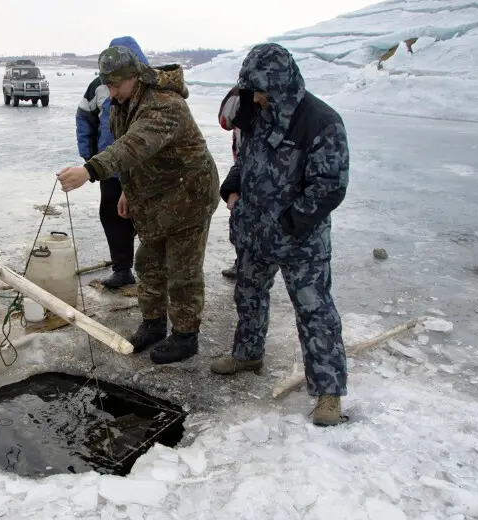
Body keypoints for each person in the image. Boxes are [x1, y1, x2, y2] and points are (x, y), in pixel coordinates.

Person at [210, 43, 350, 426]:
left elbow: (330, 186)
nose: (256, 97)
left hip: (300, 241)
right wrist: (233, 190)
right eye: (252, 89)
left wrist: (287, 224)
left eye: (263, 89)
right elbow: (245, 161)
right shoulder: (258, 114)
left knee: (315, 312)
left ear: (283, 84)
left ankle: (328, 392)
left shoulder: (321, 121)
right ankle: (247, 354)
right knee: (249, 295)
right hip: (254, 234)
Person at [57, 46, 219, 364]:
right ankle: (154, 325)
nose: (112, 92)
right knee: (148, 263)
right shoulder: (123, 101)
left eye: (116, 85)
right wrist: (127, 191)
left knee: (182, 271)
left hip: (190, 196)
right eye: (109, 86)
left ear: (134, 77)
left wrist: (89, 170)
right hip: (158, 198)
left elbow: (134, 145)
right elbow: (130, 154)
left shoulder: (164, 102)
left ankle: (186, 337)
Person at [75, 36, 149, 289]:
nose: (114, 90)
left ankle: (157, 274)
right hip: (110, 169)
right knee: (112, 215)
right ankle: (122, 268)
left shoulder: (150, 89)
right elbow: (85, 118)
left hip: (145, 170)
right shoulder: (98, 85)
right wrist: (89, 157)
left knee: (149, 219)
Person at [217, 86, 241, 280]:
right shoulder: (240, 94)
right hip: (243, 167)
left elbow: (225, 120)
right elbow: (225, 121)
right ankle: (242, 260)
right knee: (239, 216)